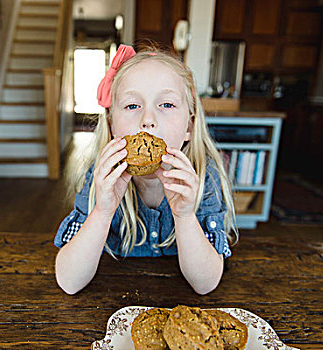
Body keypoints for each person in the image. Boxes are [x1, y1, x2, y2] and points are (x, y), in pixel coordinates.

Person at [54, 45, 238, 295]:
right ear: (112, 127)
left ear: (189, 126)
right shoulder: (102, 177)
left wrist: (185, 215)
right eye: (132, 106)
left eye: (167, 104)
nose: (148, 119)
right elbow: (69, 282)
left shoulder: (203, 177)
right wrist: (102, 210)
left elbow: (205, 285)